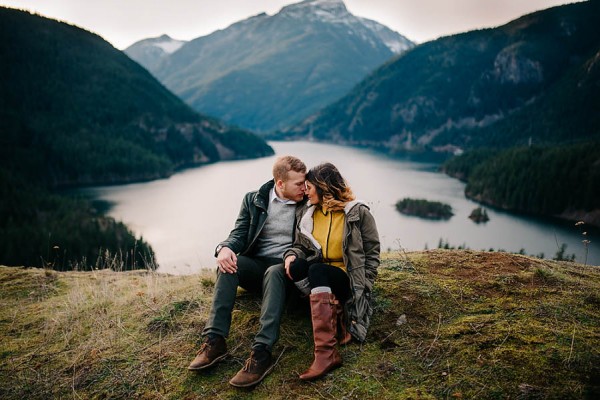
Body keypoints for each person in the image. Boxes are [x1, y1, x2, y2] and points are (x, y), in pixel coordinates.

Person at [188, 155, 307, 388]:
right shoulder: (254, 199)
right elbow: (239, 233)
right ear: (280, 184)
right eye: (298, 184)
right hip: (257, 266)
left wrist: (293, 256)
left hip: (286, 269)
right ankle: (215, 340)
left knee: (274, 272)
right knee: (228, 263)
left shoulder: (308, 203)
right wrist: (224, 248)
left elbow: (308, 243)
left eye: (305, 182)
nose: (305, 187)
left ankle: (261, 353)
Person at [283, 162, 380, 381]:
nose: (305, 191)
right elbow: (300, 246)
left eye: (309, 186)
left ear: (322, 186)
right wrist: (290, 255)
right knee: (298, 265)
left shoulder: (356, 213)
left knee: (318, 270)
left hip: (347, 278)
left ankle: (326, 354)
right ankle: (334, 318)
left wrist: (367, 284)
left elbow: (372, 252)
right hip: (322, 277)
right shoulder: (309, 214)